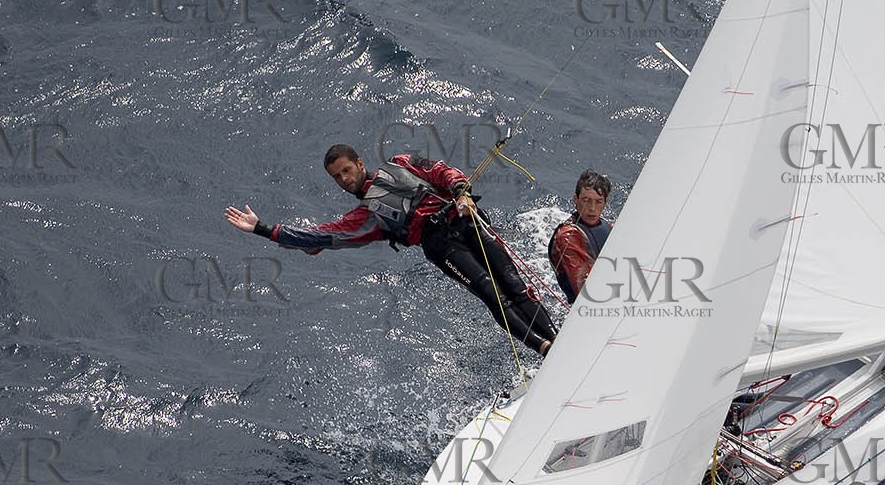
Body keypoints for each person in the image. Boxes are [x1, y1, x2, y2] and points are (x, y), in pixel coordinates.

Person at [224, 144, 558, 356]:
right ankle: (544, 348)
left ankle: (558, 340)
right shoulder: (366, 217)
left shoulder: (400, 163)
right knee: (492, 293)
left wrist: (460, 190)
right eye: (336, 177)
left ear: (358, 163)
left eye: (346, 170)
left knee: (514, 283)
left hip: (465, 217)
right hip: (441, 246)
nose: (343, 179)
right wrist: (262, 228)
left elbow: (440, 171)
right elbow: (318, 236)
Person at [547, 170, 613, 300]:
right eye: (586, 201)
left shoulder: (609, 227)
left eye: (598, 202)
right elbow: (585, 290)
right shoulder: (567, 236)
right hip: (587, 309)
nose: (592, 208)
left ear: (605, 202)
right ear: (575, 200)